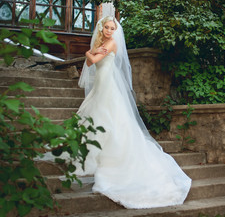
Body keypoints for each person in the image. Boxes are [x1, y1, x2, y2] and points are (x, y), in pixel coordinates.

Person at [76, 16, 191, 209]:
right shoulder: (101, 43)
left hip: (108, 86)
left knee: (109, 116)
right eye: (107, 27)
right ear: (101, 28)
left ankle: (112, 152)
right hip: (100, 84)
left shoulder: (111, 44)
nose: (110, 31)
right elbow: (89, 64)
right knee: (96, 115)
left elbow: (93, 58)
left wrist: (89, 52)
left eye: (112, 28)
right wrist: (90, 53)